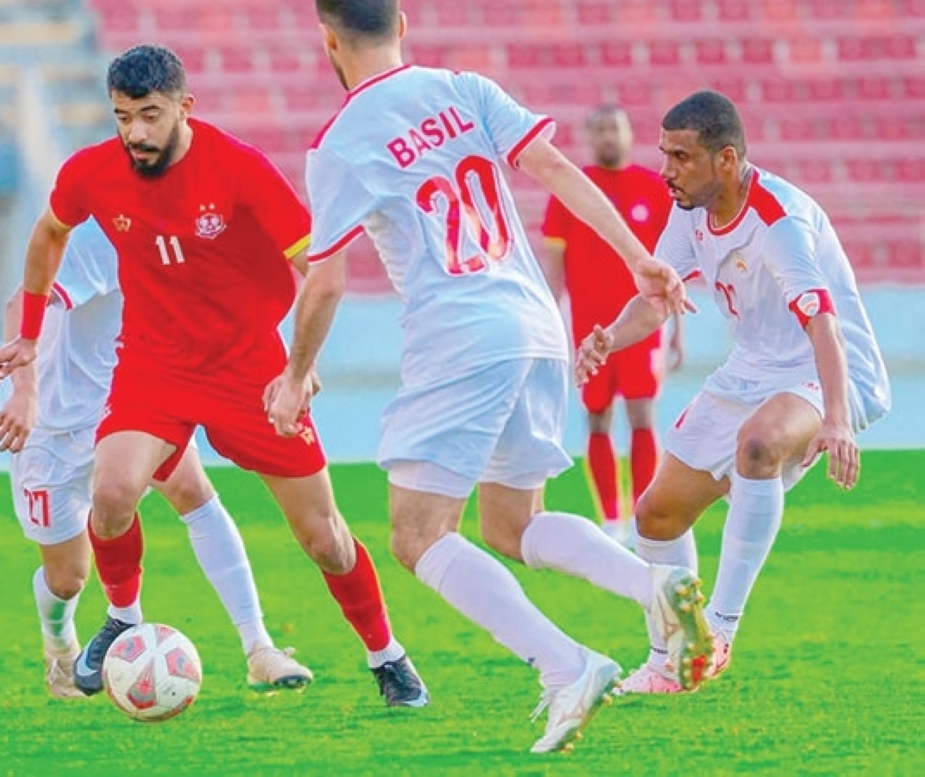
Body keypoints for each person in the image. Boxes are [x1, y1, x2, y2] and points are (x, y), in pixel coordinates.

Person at [266, 0, 711, 754]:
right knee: (511, 524)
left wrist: (292, 374)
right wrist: (640, 257)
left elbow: (326, 280)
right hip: (537, 328)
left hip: (459, 334)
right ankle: (652, 584)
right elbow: (557, 169)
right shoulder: (465, 88)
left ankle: (567, 665)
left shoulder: (340, 142)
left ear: (328, 41)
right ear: (403, 24)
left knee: (416, 534)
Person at [0, 43, 427, 708]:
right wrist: (28, 335)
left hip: (251, 370)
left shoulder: (240, 169)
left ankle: (386, 654)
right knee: (111, 491)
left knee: (324, 538)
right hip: (154, 365)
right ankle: (124, 617)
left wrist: (299, 370)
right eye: (122, 117)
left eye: (150, 115)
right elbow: (48, 235)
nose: (134, 132)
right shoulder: (93, 173)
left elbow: (322, 272)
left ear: (185, 107)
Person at [576, 90, 891, 694]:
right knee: (656, 516)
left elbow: (822, 322)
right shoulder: (690, 210)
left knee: (757, 446)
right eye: (664, 153)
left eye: (680, 156)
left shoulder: (778, 222)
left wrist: (837, 418)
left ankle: (718, 631)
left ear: (725, 159)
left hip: (823, 368)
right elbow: (657, 297)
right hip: (750, 369)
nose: (666, 170)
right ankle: (674, 657)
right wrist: (609, 339)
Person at [0, 220, 313, 698]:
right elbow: (21, 303)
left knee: (193, 492)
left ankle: (259, 647)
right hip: (49, 426)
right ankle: (59, 649)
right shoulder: (104, 237)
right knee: (68, 577)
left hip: (130, 399)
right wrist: (24, 392)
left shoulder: (191, 237)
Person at [541, 105, 681, 548]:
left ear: (627, 132)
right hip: (590, 329)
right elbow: (555, 266)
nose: (607, 136)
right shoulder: (571, 191)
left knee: (643, 415)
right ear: (588, 135)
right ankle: (611, 517)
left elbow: (671, 267)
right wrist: (553, 326)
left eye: (614, 127)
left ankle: (643, 513)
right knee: (597, 419)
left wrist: (678, 329)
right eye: (599, 128)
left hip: (642, 327)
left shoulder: (652, 189)